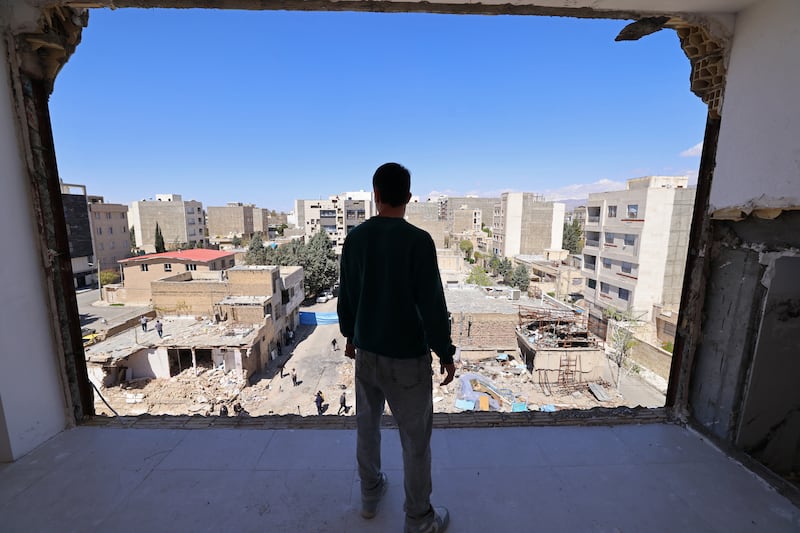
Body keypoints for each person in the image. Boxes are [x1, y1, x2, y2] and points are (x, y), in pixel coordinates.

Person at [338, 162, 456, 533]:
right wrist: (445, 352)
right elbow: (432, 304)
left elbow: (349, 297)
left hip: (367, 354)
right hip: (407, 359)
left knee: (367, 428)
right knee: (415, 441)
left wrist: (350, 336)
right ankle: (419, 520)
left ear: (375, 195)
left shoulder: (356, 239)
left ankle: (370, 497)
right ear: (407, 197)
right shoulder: (418, 242)